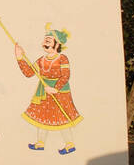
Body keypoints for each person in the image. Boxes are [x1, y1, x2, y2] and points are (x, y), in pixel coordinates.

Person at [14, 24, 83, 154]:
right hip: (44, 92)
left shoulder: (62, 58)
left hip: (60, 92)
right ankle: (40, 143)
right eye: (45, 40)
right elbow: (28, 73)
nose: (45, 42)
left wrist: (55, 89)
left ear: (57, 44)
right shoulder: (41, 60)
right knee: (43, 117)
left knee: (62, 118)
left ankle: (69, 144)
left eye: (48, 40)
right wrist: (20, 57)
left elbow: (65, 76)